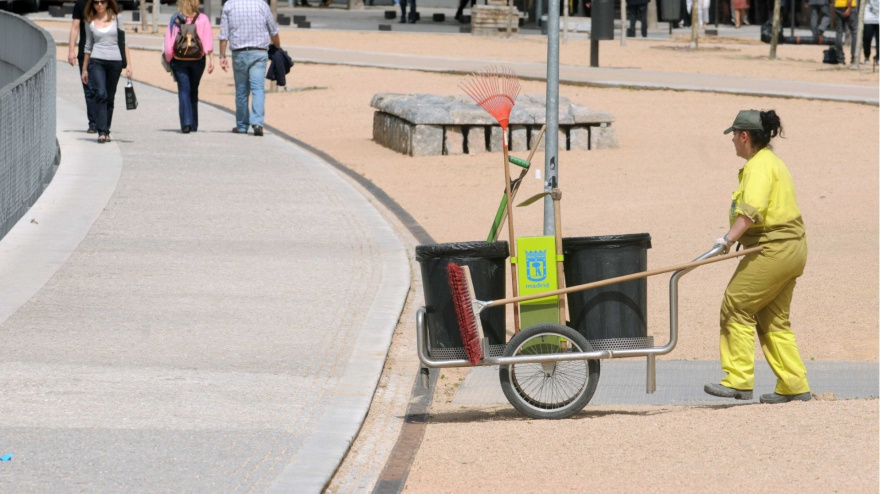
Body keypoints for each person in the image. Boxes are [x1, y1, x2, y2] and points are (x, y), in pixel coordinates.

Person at [704, 110, 811, 405]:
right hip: (791, 249)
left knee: (736, 304)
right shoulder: (771, 163)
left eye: (735, 136)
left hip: (773, 249)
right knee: (772, 317)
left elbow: (750, 211)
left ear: (744, 136)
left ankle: (738, 379)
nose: (733, 143)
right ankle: (793, 384)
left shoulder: (759, 167)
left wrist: (727, 239)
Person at [219, 0, 281, 136]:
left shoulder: (229, 5)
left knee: (241, 91)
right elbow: (273, 31)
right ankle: (257, 123)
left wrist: (222, 56)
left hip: (239, 53)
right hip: (259, 52)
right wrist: (278, 47)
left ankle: (241, 126)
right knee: (258, 89)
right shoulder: (262, 4)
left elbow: (224, 35)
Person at [81, 0, 132, 144]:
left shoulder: (117, 18)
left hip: (115, 62)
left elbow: (124, 42)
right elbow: (88, 46)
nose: (99, 5)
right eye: (96, 2)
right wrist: (85, 69)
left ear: (108, 3)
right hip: (97, 61)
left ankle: (106, 130)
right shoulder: (89, 21)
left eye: (102, 1)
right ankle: (102, 131)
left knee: (110, 97)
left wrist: (128, 65)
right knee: (100, 94)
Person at [164, 0, 214, 134]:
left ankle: (186, 123)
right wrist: (211, 59)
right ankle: (194, 123)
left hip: (179, 59)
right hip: (198, 59)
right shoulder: (203, 19)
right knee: (194, 89)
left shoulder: (175, 19)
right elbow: (208, 42)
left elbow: (169, 45)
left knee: (184, 89)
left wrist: (169, 60)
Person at [67, 0, 98, 133]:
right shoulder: (81, 4)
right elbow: (75, 27)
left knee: (102, 90)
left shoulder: (106, 3)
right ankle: (93, 123)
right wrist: (71, 51)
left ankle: (102, 120)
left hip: (104, 52)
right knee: (89, 89)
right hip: (85, 53)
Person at [834, 0, 859, 64]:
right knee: (854, 31)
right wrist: (849, 7)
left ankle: (840, 59)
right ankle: (854, 57)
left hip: (838, 5)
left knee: (839, 32)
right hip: (850, 6)